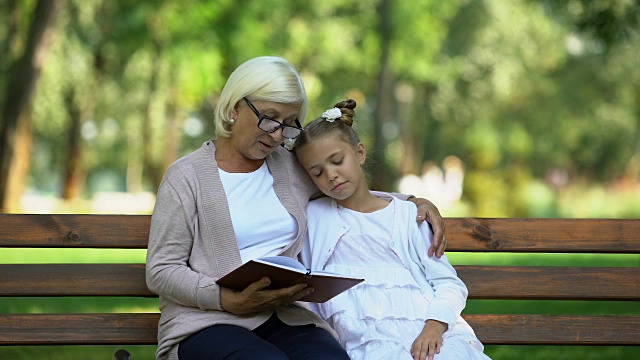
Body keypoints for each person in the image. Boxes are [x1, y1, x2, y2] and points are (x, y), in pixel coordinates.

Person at [145, 56, 447, 360]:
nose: (277, 135)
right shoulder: (187, 176)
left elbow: (343, 186)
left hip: (284, 316)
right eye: (270, 117)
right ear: (235, 107)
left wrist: (410, 201)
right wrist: (224, 299)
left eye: (289, 124)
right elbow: (161, 270)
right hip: (207, 322)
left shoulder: (288, 168)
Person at [296, 99, 491, 360]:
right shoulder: (316, 218)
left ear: (360, 153)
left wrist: (434, 327)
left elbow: (448, 284)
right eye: (317, 172)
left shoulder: (409, 217)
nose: (330, 175)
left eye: (337, 161)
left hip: (428, 333)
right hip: (366, 342)